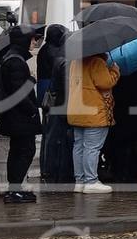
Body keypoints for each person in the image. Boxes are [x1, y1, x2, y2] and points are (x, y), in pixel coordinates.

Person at [0, 26, 41, 203]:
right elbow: (18, 93)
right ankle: (14, 191)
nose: (34, 42)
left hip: (13, 115)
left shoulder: (11, 57)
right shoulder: (16, 61)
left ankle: (14, 189)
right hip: (20, 117)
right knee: (24, 151)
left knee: (17, 151)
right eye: (31, 38)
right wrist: (31, 111)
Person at [67, 48, 120, 194]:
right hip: (94, 111)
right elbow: (105, 83)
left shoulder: (75, 61)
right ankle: (91, 181)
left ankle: (80, 181)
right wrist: (115, 70)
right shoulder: (96, 61)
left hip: (77, 110)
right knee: (92, 148)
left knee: (79, 147)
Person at [39, 25, 76, 187]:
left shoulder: (45, 49)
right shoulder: (60, 56)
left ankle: (47, 168)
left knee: (49, 134)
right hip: (59, 100)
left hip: (48, 94)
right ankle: (56, 170)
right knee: (58, 137)